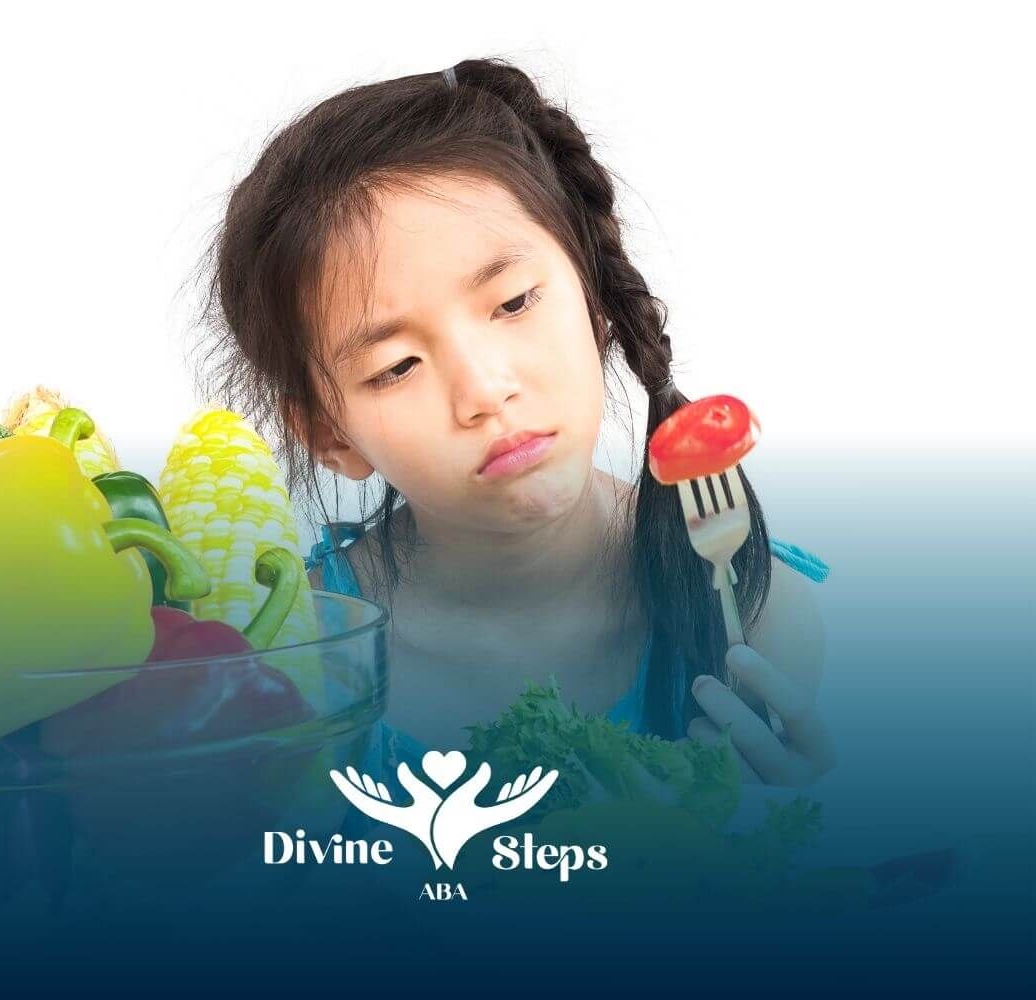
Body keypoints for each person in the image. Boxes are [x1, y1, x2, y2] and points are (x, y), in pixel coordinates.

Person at [195, 57, 836, 803]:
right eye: (398, 366)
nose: (484, 391)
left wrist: (766, 859)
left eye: (513, 303)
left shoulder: (755, 611)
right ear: (328, 434)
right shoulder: (293, 654)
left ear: (595, 294)